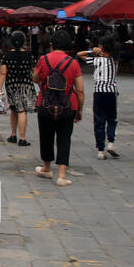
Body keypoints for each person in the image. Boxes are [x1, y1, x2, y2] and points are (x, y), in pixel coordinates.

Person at [31, 30, 84, 186]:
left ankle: (47, 168)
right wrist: (80, 109)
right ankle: (61, 175)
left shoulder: (43, 59)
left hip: (45, 103)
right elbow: (80, 89)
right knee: (64, 138)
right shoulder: (73, 63)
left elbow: (35, 78)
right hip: (68, 104)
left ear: (52, 45)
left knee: (46, 136)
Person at [77, 36, 120, 159]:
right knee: (112, 118)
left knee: (99, 120)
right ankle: (111, 142)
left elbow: (79, 55)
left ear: (101, 47)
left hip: (99, 92)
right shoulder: (114, 60)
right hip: (111, 92)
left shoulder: (97, 60)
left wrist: (92, 51)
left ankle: (101, 150)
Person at [0, 30, 36, 147]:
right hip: (26, 85)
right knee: (22, 110)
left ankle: (13, 135)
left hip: (12, 85)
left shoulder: (7, 56)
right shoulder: (29, 55)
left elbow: (3, 73)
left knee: (14, 109)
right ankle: (23, 138)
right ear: (24, 41)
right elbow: (35, 72)